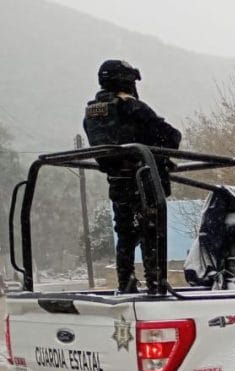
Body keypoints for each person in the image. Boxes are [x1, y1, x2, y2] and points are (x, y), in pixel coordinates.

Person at [83, 60, 182, 294]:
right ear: (126, 82)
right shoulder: (131, 108)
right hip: (142, 182)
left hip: (117, 183)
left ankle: (126, 281)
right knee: (151, 232)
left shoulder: (93, 113)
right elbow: (171, 137)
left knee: (125, 235)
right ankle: (155, 283)